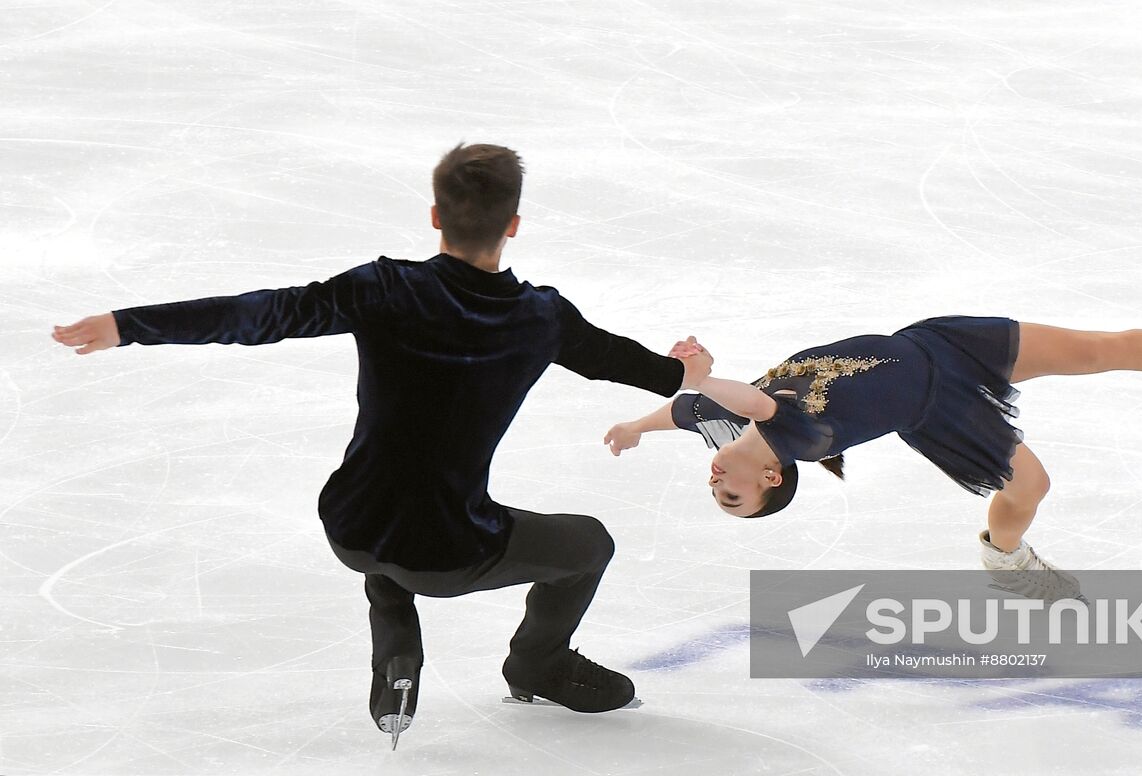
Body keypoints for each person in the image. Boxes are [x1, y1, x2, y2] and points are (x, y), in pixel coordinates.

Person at [50, 143, 714, 749]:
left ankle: (393, 624)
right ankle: (537, 662)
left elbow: (260, 314)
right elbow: (633, 368)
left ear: (435, 217)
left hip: (350, 523)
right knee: (589, 544)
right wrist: (687, 368)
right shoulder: (542, 318)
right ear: (513, 223)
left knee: (397, 509)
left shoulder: (384, 289)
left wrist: (126, 325)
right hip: (448, 554)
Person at [606, 318, 1142, 600]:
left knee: (1098, 349)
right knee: (1036, 484)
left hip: (940, 343)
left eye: (717, 495)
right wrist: (703, 374)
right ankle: (1005, 554)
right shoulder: (800, 440)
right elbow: (749, 399)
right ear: (771, 479)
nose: (716, 486)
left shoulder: (714, 424)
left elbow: (686, 410)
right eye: (732, 499)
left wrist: (639, 426)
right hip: (939, 408)